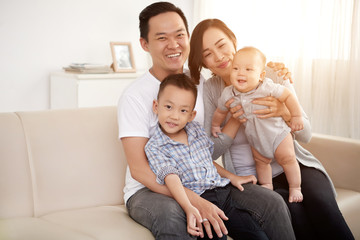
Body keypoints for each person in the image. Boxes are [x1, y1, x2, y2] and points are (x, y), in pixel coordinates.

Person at [118, 2, 295, 240]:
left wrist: (273, 75)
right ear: (145, 44)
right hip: (150, 190)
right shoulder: (134, 96)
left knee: (271, 202)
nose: (173, 45)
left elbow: (202, 149)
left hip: (204, 181)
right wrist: (195, 201)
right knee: (174, 218)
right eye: (162, 38)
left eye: (180, 35)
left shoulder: (202, 84)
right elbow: (140, 170)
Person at [188, 18, 355, 240]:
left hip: (295, 164)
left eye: (221, 45)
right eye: (207, 53)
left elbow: (306, 134)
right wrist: (235, 121)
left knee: (323, 206)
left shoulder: (270, 73)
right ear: (203, 62)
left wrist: (284, 112)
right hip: (256, 177)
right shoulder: (212, 90)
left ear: (233, 41)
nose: (218, 57)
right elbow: (211, 151)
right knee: (295, 213)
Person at [146, 73, 267, 240]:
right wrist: (189, 207)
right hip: (197, 199)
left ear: (191, 115)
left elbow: (207, 161)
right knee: (218, 236)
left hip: (223, 193)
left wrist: (232, 177)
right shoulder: (156, 146)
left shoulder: (195, 130)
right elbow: (171, 179)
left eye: (183, 110)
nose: (174, 116)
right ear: (156, 106)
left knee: (258, 235)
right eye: (168, 107)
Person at [211, 47, 304, 203]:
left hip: (278, 133)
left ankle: (295, 187)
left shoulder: (266, 87)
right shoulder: (229, 93)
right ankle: (267, 185)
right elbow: (220, 111)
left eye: (248, 69)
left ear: (261, 76)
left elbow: (288, 96)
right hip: (256, 138)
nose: (241, 73)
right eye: (236, 68)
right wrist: (215, 126)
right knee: (261, 162)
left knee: (288, 158)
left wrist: (295, 116)